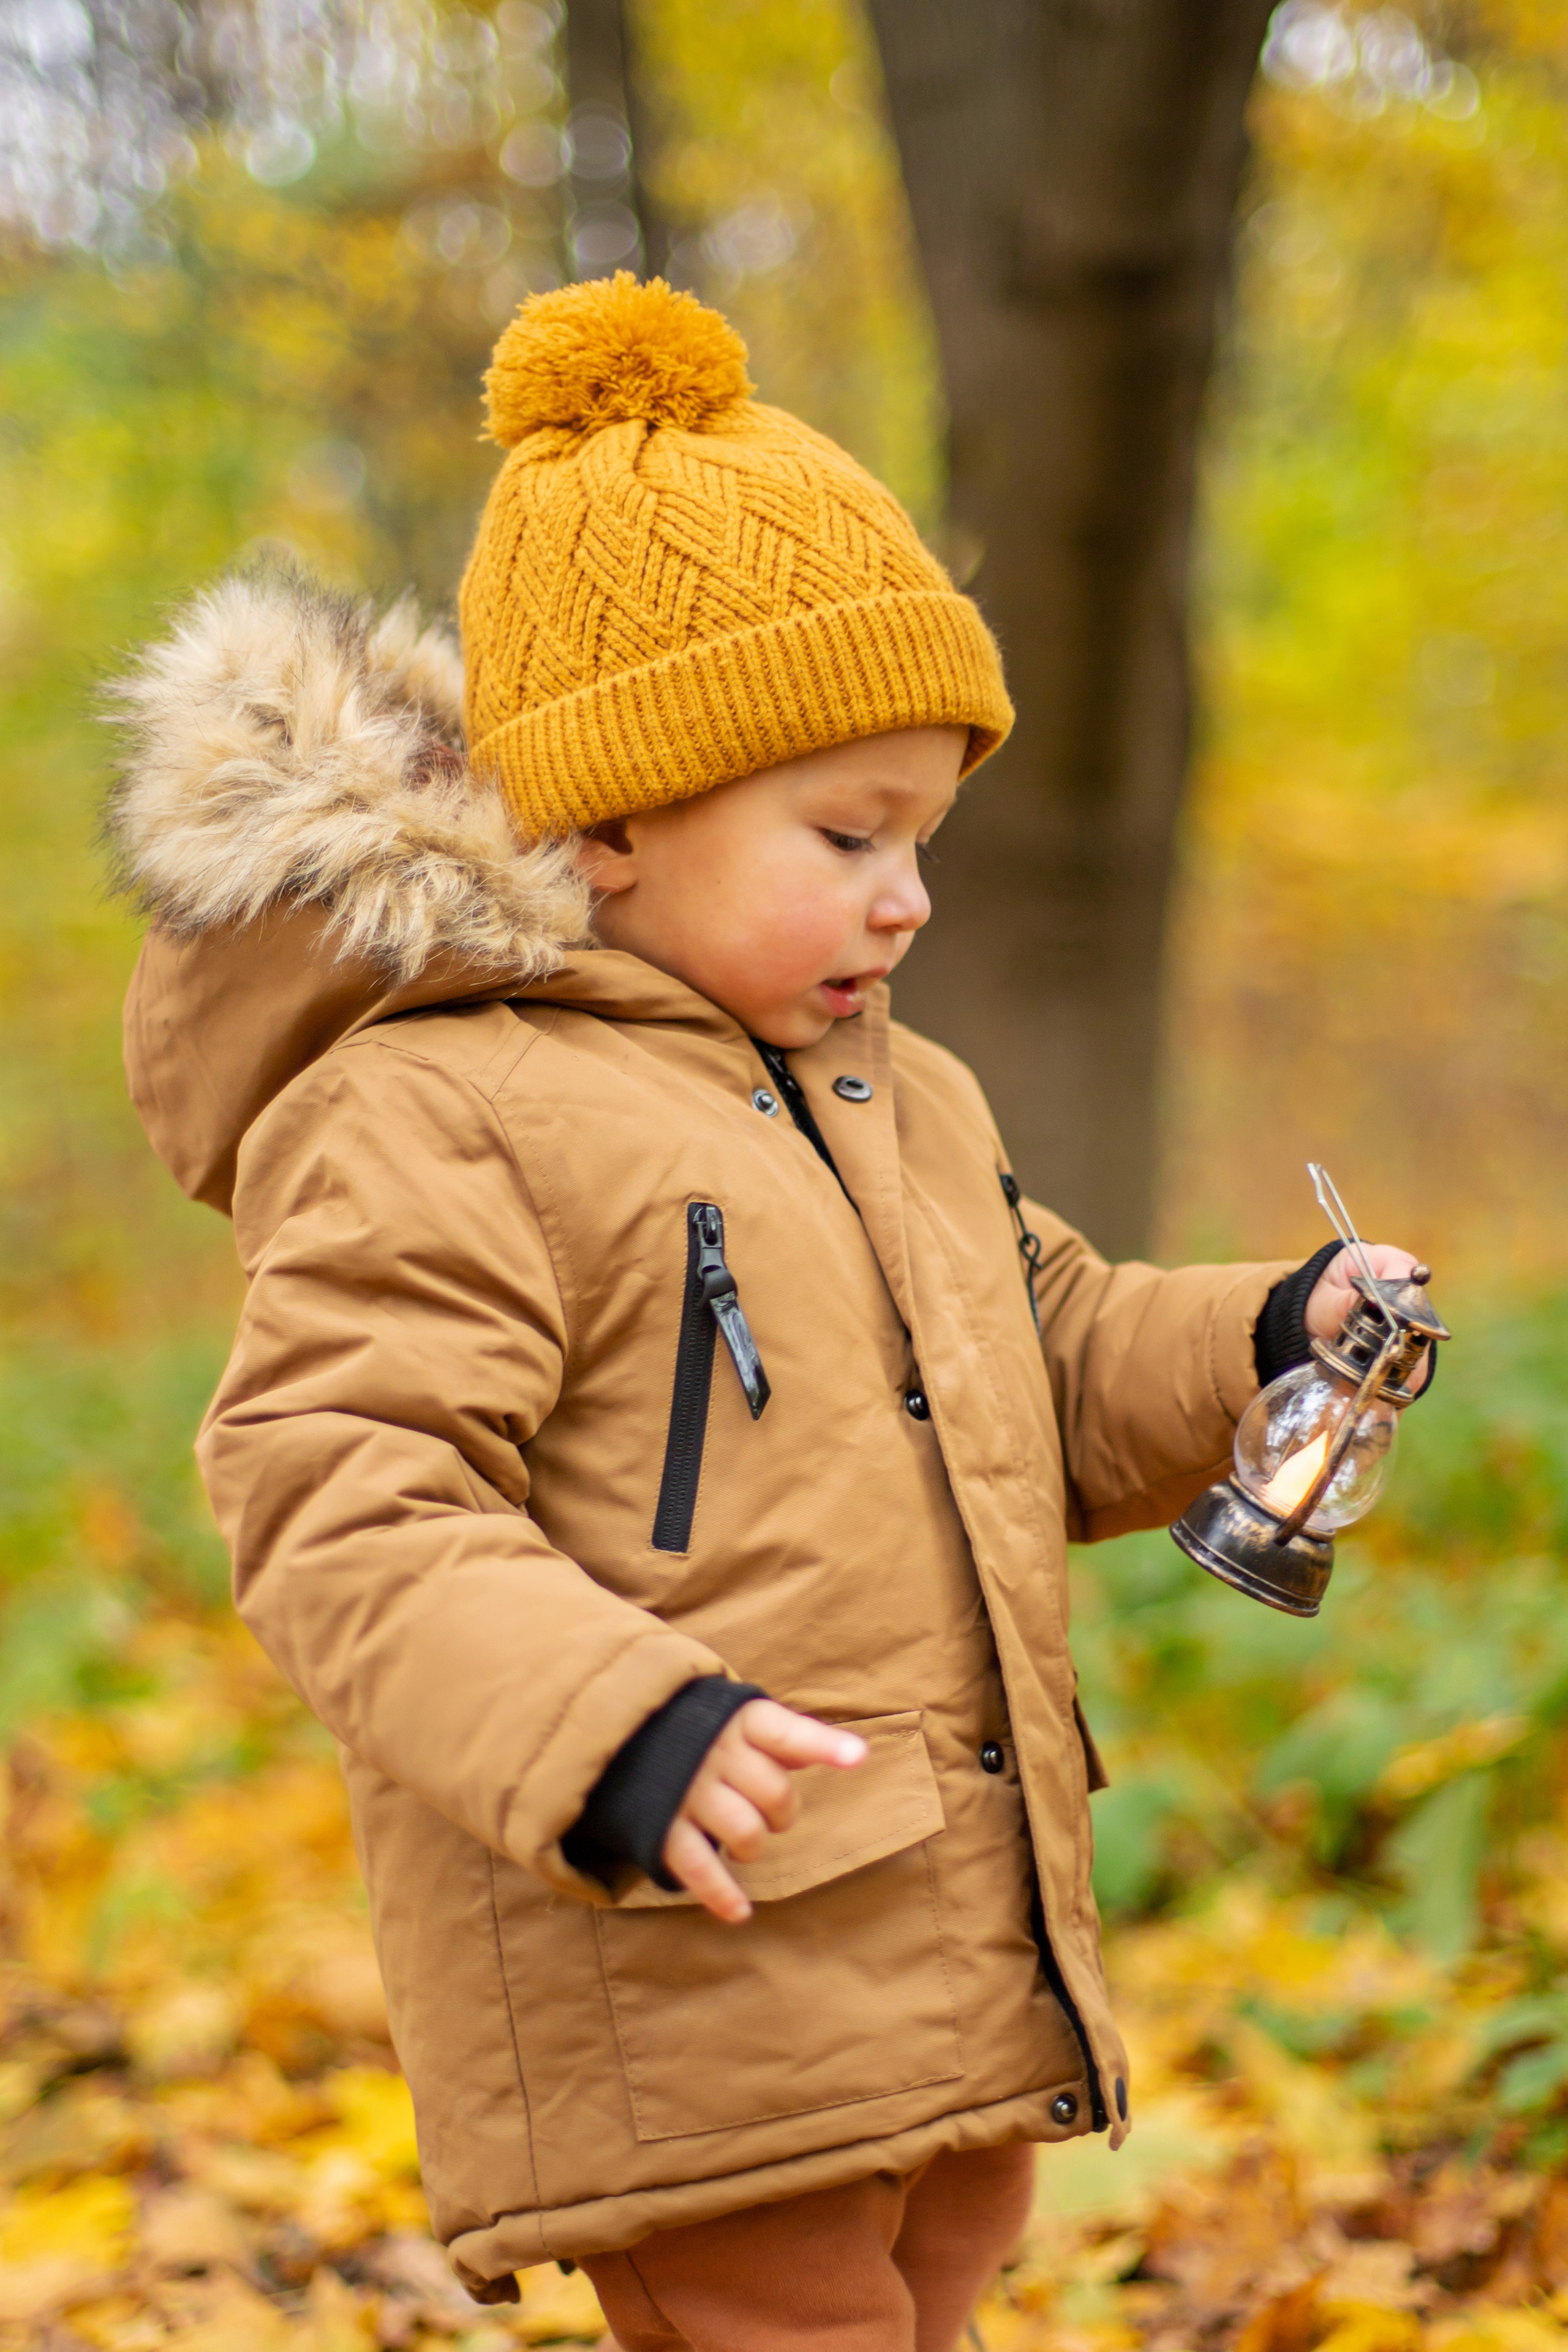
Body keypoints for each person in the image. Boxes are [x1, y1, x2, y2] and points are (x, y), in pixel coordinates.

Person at [109, 273, 1425, 2352]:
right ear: (613, 822)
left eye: (927, 835)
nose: (909, 898)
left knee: (937, 2281)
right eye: (849, 835)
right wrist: (607, 1729)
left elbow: (1050, 1351)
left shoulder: (895, 1091)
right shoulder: (439, 1106)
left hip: (928, 1903)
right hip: (683, 1932)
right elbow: (334, 1482)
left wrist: (1271, 1329)